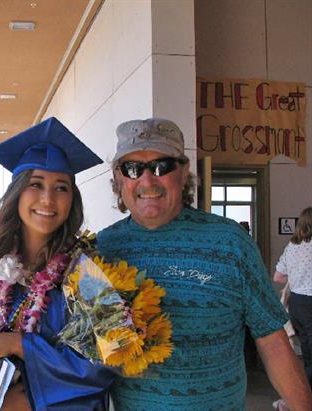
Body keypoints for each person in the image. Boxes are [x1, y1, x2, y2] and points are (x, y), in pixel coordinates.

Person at [97, 118, 312, 411]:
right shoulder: (101, 251)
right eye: (132, 168)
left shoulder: (230, 242)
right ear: (119, 178)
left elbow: (272, 341)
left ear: (184, 173)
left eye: (162, 166)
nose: (147, 181)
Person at [0, 117, 115, 411]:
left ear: (72, 199)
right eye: (36, 184)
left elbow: (106, 360)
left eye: (61, 187)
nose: (48, 199)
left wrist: (18, 345)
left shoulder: (88, 274)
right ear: (17, 193)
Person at [274, 206, 312, 389]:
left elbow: (278, 277)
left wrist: (299, 274)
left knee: (306, 347)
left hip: (298, 303)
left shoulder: (293, 246)